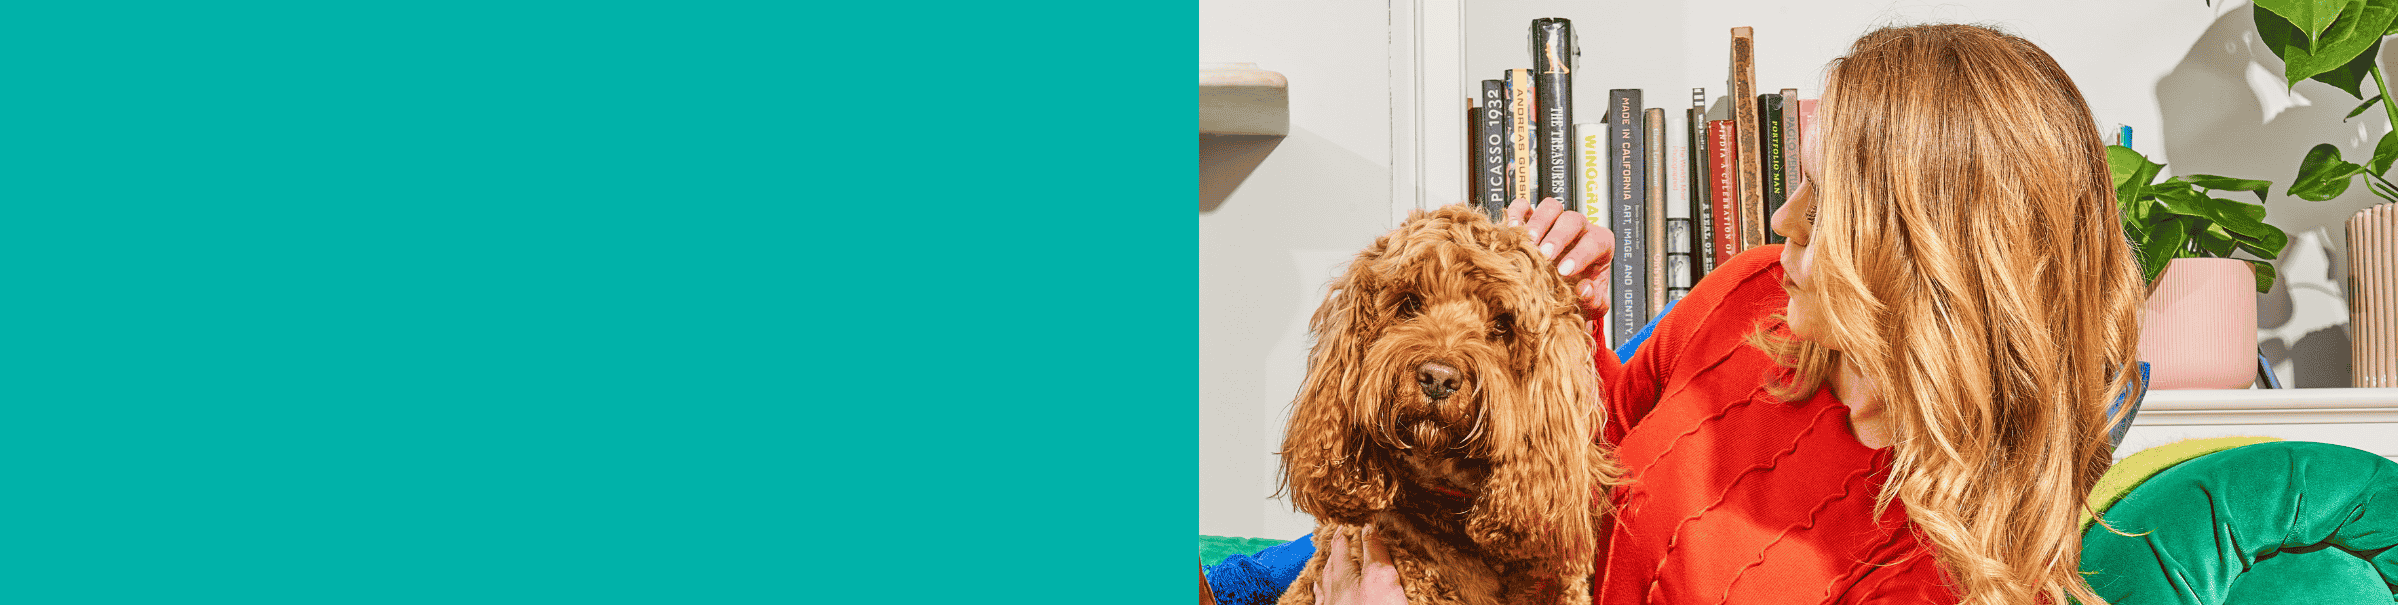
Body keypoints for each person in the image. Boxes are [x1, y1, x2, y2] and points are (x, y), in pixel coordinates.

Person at [1262, 23, 2144, 605]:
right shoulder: (1757, 291)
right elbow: (1593, 449)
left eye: (1822, 197)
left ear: (1930, 256)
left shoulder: (1935, 571)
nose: (1779, 217)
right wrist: (1573, 325)